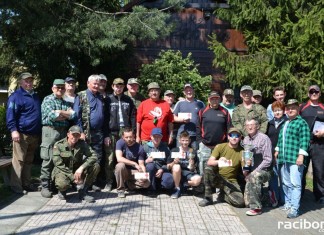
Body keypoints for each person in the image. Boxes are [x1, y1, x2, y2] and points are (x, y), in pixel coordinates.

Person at [6, 72, 41, 194]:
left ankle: (26, 184)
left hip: (34, 135)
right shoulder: (16, 96)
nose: (29, 83)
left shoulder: (35, 96)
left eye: (31, 80)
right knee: (19, 160)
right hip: (21, 134)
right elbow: (10, 115)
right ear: (20, 82)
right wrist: (13, 130)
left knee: (29, 161)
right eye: (26, 81)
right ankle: (15, 186)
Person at [40, 79, 76, 198]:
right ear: (52, 88)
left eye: (62, 88)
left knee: (62, 157)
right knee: (49, 158)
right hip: (50, 131)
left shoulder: (65, 102)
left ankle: (59, 185)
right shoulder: (48, 100)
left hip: (63, 132)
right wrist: (65, 114)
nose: (60, 89)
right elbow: (52, 116)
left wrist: (60, 111)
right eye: (57, 87)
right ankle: (45, 186)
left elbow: (73, 115)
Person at [74, 74, 110, 191]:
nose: (96, 85)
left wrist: (105, 134)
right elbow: (76, 115)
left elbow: (105, 118)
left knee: (97, 158)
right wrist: (80, 132)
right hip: (86, 133)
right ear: (88, 83)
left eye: (98, 84)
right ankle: (81, 183)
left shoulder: (101, 97)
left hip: (98, 133)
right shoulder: (81, 95)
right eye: (94, 83)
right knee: (84, 157)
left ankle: (91, 182)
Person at [276, 99, 310, 218]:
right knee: (285, 183)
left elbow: (305, 140)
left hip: (295, 159)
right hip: (284, 158)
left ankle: (295, 209)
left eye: (293, 108)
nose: (290, 110)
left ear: (298, 109)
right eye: (288, 108)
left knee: (296, 184)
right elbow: (280, 139)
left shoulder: (301, 123)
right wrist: (277, 150)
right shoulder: (286, 123)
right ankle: (288, 203)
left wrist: (301, 156)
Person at [198, 127, 245, 208]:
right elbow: (210, 162)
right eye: (232, 135)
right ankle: (208, 198)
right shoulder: (220, 146)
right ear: (228, 137)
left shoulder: (242, 151)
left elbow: (245, 171)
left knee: (240, 203)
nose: (234, 138)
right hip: (218, 178)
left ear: (240, 137)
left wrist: (247, 164)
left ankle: (223, 196)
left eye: (237, 135)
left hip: (231, 181)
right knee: (208, 168)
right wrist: (219, 161)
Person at [52, 125, 100, 203]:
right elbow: (59, 164)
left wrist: (81, 168)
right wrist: (73, 177)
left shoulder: (82, 144)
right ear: (68, 134)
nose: (75, 137)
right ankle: (62, 190)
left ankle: (83, 191)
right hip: (64, 171)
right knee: (62, 184)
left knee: (96, 166)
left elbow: (94, 156)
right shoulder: (58, 145)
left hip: (77, 170)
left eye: (77, 135)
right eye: (73, 134)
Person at [105, 78, 136, 191]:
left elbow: (133, 116)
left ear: (124, 87)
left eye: (121, 86)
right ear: (113, 86)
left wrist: (134, 132)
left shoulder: (128, 100)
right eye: (117, 86)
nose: (119, 88)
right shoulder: (107, 99)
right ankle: (109, 182)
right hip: (112, 132)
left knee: (126, 157)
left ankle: (125, 182)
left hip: (126, 132)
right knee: (110, 158)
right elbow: (104, 118)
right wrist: (106, 134)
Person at [196, 91, 231, 175]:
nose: (214, 101)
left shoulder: (225, 111)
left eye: (216, 99)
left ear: (219, 100)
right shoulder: (202, 111)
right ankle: (205, 187)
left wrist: (227, 144)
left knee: (220, 169)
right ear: (209, 100)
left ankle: (219, 188)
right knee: (204, 170)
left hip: (220, 146)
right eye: (212, 99)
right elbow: (198, 127)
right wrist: (200, 141)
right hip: (205, 145)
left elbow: (229, 128)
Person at [299, 85, 324, 204]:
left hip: (319, 144)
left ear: (320, 93)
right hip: (304, 143)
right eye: (311, 91)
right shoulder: (302, 107)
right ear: (308, 93)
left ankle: (320, 195)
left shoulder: (323, 107)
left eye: (316, 91)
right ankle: (299, 194)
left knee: (319, 170)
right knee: (301, 170)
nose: (314, 93)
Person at [243, 118, 273, 216]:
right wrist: (246, 170)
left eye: (252, 125)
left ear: (257, 126)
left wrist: (253, 172)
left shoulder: (264, 138)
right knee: (246, 202)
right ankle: (268, 196)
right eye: (247, 125)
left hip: (266, 170)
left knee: (253, 177)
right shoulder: (246, 139)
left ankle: (256, 208)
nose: (250, 127)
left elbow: (268, 160)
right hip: (252, 170)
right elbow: (246, 157)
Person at [115, 127, 150, 198]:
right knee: (119, 166)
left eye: (130, 137)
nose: (129, 139)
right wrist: (134, 163)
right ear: (123, 137)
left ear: (134, 136)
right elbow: (119, 158)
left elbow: (141, 164)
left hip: (134, 172)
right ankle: (121, 190)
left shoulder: (140, 147)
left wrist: (143, 175)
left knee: (147, 183)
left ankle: (129, 184)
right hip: (123, 171)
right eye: (126, 137)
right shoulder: (120, 143)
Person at [266, 101, 288, 207]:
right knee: (273, 178)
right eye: (275, 110)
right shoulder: (269, 123)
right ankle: (274, 199)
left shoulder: (287, 122)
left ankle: (284, 200)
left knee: (283, 178)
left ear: (283, 111)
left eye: (279, 110)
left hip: (283, 154)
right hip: (271, 154)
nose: (277, 112)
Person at [168, 131, 202, 199]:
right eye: (183, 140)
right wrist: (174, 162)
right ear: (179, 140)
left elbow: (192, 169)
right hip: (176, 172)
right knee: (177, 167)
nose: (185, 142)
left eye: (186, 140)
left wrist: (192, 164)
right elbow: (168, 166)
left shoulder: (192, 151)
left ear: (189, 141)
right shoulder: (174, 150)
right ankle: (177, 189)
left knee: (198, 180)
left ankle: (183, 185)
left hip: (188, 173)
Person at [173, 83, 205, 151]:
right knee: (180, 154)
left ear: (193, 91)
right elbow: (173, 117)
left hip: (195, 135)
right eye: (187, 90)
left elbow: (205, 117)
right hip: (182, 135)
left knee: (194, 155)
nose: (189, 92)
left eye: (190, 90)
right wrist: (182, 120)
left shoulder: (200, 103)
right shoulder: (179, 103)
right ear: (184, 92)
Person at [144, 128, 174, 195]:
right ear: (151, 137)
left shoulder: (166, 148)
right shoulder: (145, 147)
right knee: (150, 166)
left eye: (159, 137)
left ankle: (159, 186)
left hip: (161, 170)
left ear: (161, 137)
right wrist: (145, 161)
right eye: (154, 136)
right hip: (150, 170)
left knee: (169, 180)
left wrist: (162, 169)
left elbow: (169, 164)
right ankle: (151, 188)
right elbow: (140, 161)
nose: (156, 139)